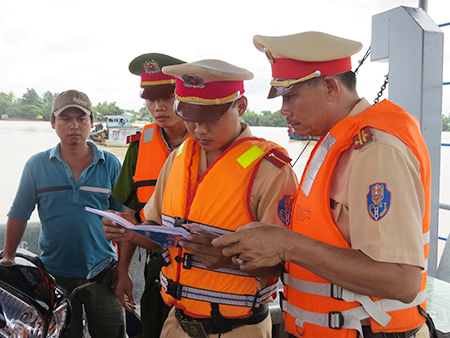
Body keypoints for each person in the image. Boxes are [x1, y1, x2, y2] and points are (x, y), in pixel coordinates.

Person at [212, 31, 433, 338]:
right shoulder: (334, 142)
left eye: (291, 96)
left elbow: (401, 281)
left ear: (330, 87)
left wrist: (285, 244)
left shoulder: (376, 150)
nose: (283, 110)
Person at [103, 59, 298, 338]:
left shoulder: (270, 170)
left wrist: (229, 258)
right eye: (190, 117)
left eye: (211, 118)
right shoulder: (178, 158)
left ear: (240, 106)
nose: (199, 130)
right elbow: (156, 231)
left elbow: (287, 264)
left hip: (238, 329)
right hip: (176, 324)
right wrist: (128, 231)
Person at [0, 89, 126, 338]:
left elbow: (122, 223)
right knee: (63, 334)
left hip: (102, 273)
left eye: (81, 119)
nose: (74, 126)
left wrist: (123, 271)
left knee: (112, 333)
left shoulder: (110, 164)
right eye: (65, 119)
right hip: (54, 276)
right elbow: (19, 214)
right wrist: (8, 257)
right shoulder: (37, 165)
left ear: (91, 122)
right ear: (52, 123)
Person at [110, 53, 188, 338]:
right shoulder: (138, 147)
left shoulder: (207, 144)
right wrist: (123, 273)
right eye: (150, 99)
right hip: (156, 274)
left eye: (167, 97)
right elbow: (129, 217)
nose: (158, 107)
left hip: (200, 273)